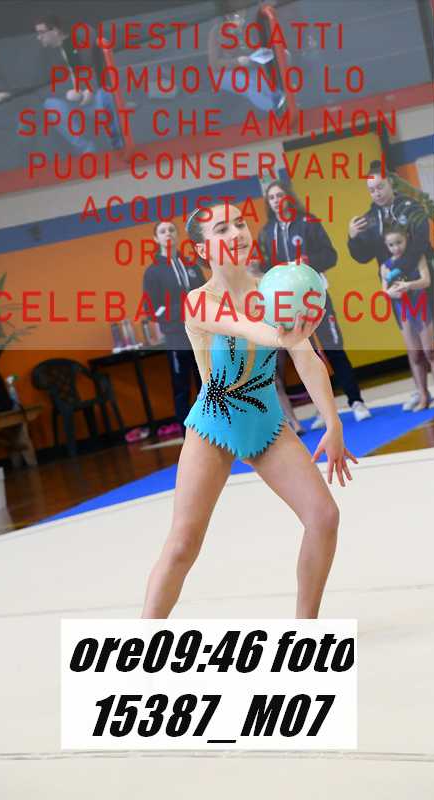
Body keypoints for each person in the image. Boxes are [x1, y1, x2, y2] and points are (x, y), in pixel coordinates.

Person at [141, 203, 357, 619]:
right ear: (202, 250)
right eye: (222, 229)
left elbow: (306, 358)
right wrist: (285, 334)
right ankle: (142, 638)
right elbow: (247, 328)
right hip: (214, 424)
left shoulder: (271, 289)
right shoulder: (199, 302)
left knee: (324, 516)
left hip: (266, 422)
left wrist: (333, 423)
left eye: (240, 223)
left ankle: (305, 629)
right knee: (183, 543)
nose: (236, 233)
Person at [347, 160, 434, 407]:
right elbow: (363, 256)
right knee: (413, 341)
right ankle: (422, 392)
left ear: (390, 183)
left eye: (380, 187)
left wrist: (398, 271)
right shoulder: (369, 218)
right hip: (396, 288)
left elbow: (420, 243)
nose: (376, 193)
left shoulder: (411, 207)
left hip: (423, 277)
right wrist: (353, 238)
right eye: (371, 190)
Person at [259, 179, 371, 430]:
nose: (277, 201)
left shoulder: (308, 222)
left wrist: (309, 261)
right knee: (306, 355)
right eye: (272, 197)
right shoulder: (267, 232)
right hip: (288, 305)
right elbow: (267, 267)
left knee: (334, 348)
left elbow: (330, 255)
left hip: (315, 297)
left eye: (280, 195)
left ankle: (356, 401)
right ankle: (324, 409)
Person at [143, 221, 207, 437]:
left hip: (200, 333)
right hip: (176, 337)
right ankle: (187, 434)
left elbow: (205, 295)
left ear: (177, 235)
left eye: (171, 230)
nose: (168, 234)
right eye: (162, 231)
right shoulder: (153, 272)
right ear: (156, 239)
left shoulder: (191, 265)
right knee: (182, 386)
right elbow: (151, 309)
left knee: (207, 380)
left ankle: (216, 426)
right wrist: (181, 310)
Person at [34, 15, 124, 154]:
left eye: (41, 32)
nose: (39, 37)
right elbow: (43, 88)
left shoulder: (80, 43)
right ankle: (86, 148)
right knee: (51, 104)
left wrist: (90, 90)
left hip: (93, 97)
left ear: (55, 31)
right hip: (70, 103)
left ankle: (118, 144)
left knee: (105, 94)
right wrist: (68, 94)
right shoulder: (45, 57)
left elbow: (101, 71)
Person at [381, 224, 434, 410]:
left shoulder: (418, 257)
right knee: (415, 355)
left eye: (399, 242)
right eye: (391, 245)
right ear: (386, 245)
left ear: (406, 239)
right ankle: (423, 396)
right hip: (404, 310)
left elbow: (426, 281)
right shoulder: (386, 266)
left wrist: (408, 285)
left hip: (420, 306)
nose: (396, 247)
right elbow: (384, 291)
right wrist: (392, 292)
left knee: (429, 351)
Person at [208, 3, 285, 113]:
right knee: (245, 83)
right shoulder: (216, 32)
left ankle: (284, 102)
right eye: (237, 15)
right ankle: (272, 109)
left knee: (263, 79)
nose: (241, 18)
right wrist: (237, 62)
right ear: (228, 16)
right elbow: (214, 64)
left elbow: (250, 53)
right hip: (221, 74)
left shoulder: (245, 30)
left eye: (242, 14)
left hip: (243, 69)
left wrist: (255, 54)